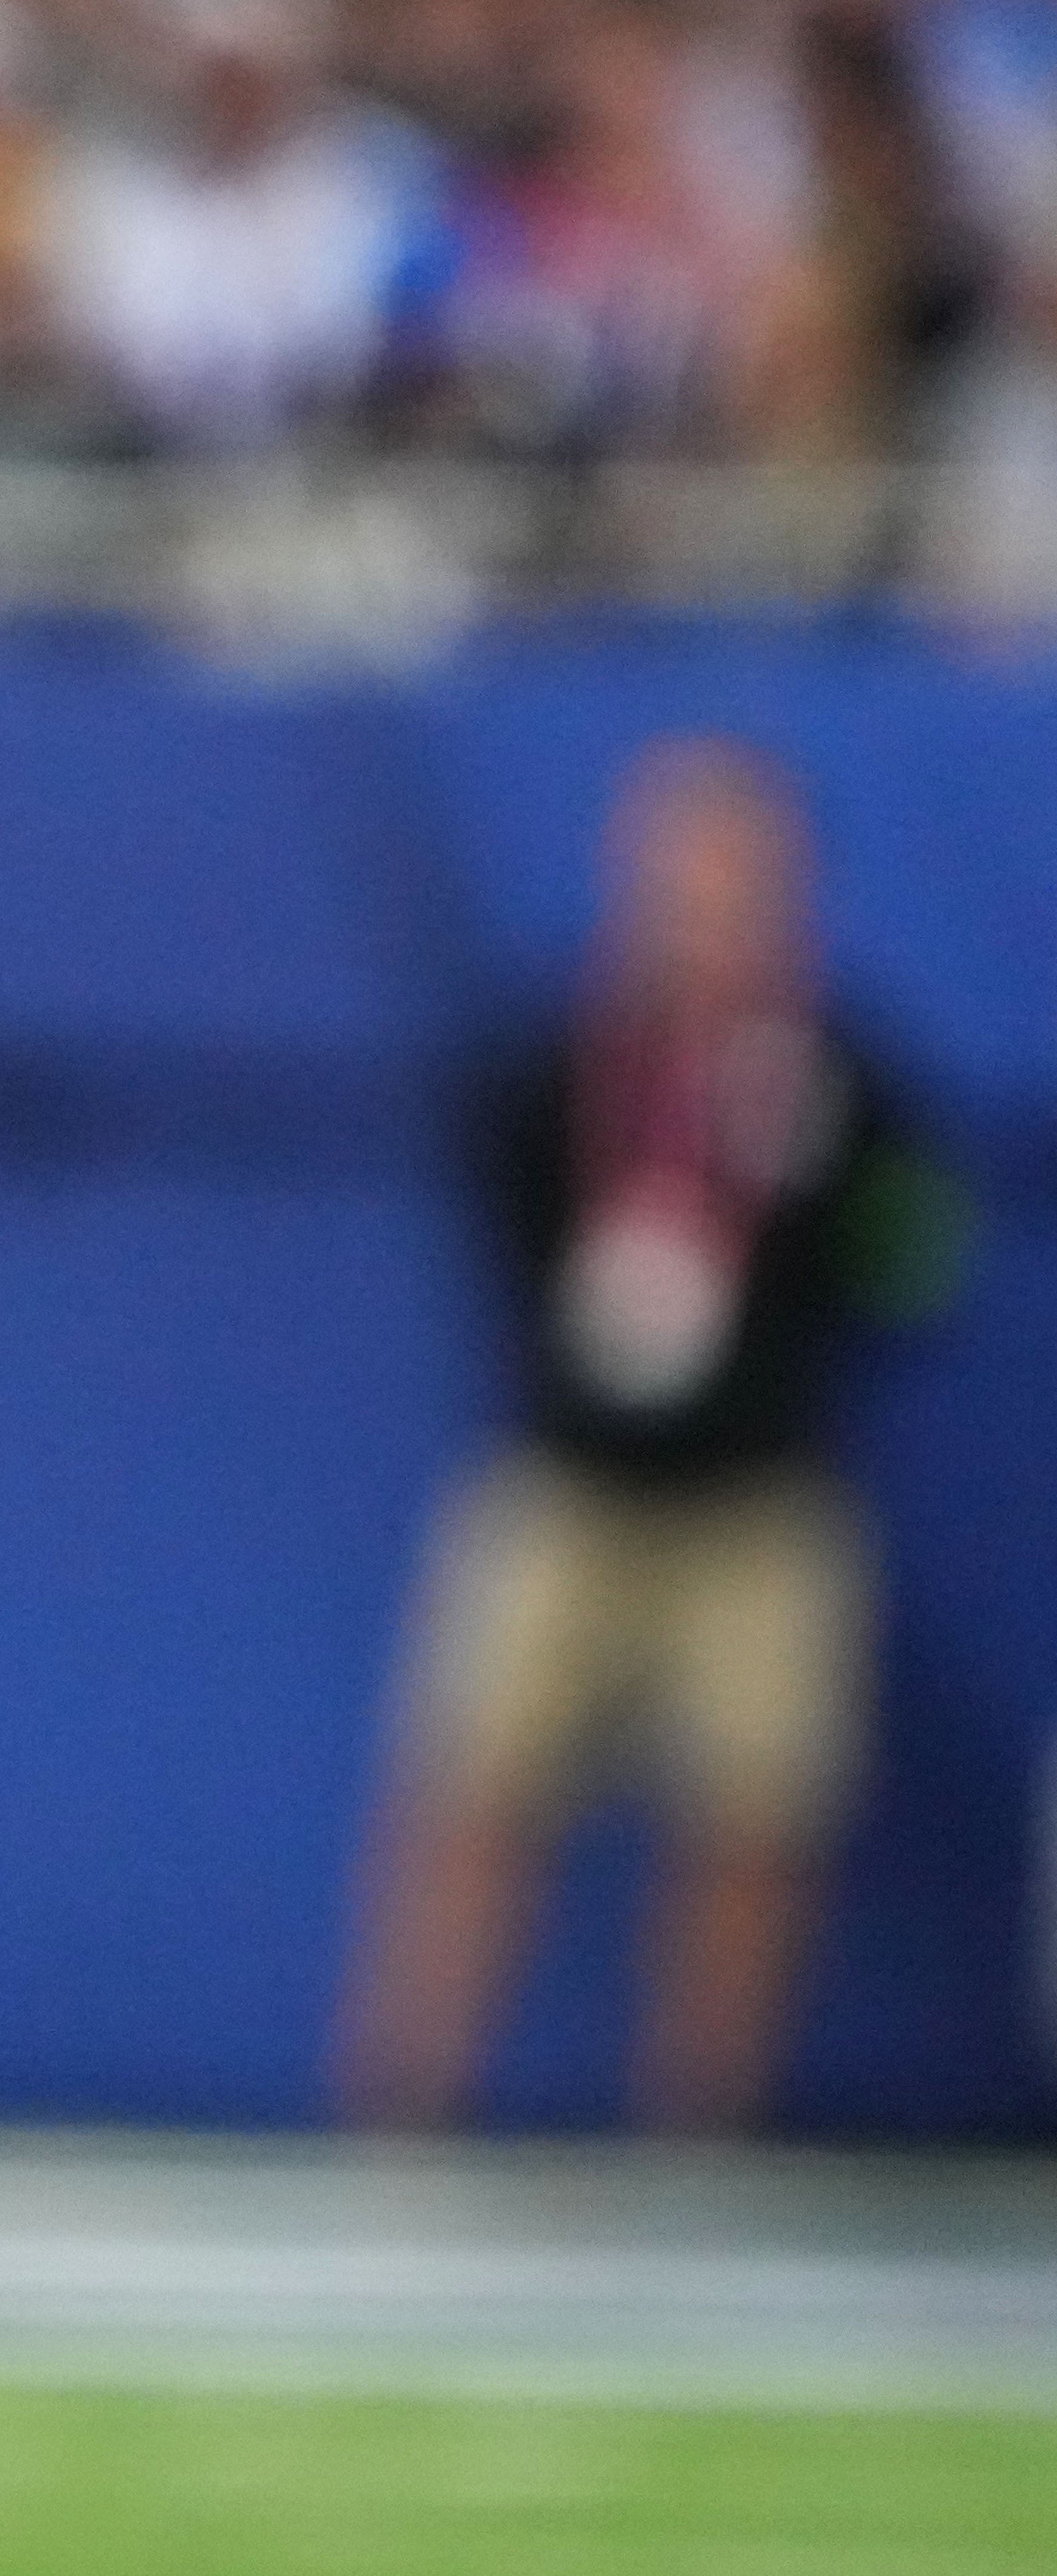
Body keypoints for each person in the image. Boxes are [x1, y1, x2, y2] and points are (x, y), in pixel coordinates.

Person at [337, 735, 952, 2137]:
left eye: (738, 878)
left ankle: (697, 2132)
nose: (708, 906)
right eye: (683, 874)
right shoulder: (557, 1056)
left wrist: (819, 1200)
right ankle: (397, 2112)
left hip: (760, 1494)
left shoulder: (842, 1072)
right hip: (570, 1478)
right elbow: (503, 1222)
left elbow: (920, 1270)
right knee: (470, 1789)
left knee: (754, 1817)